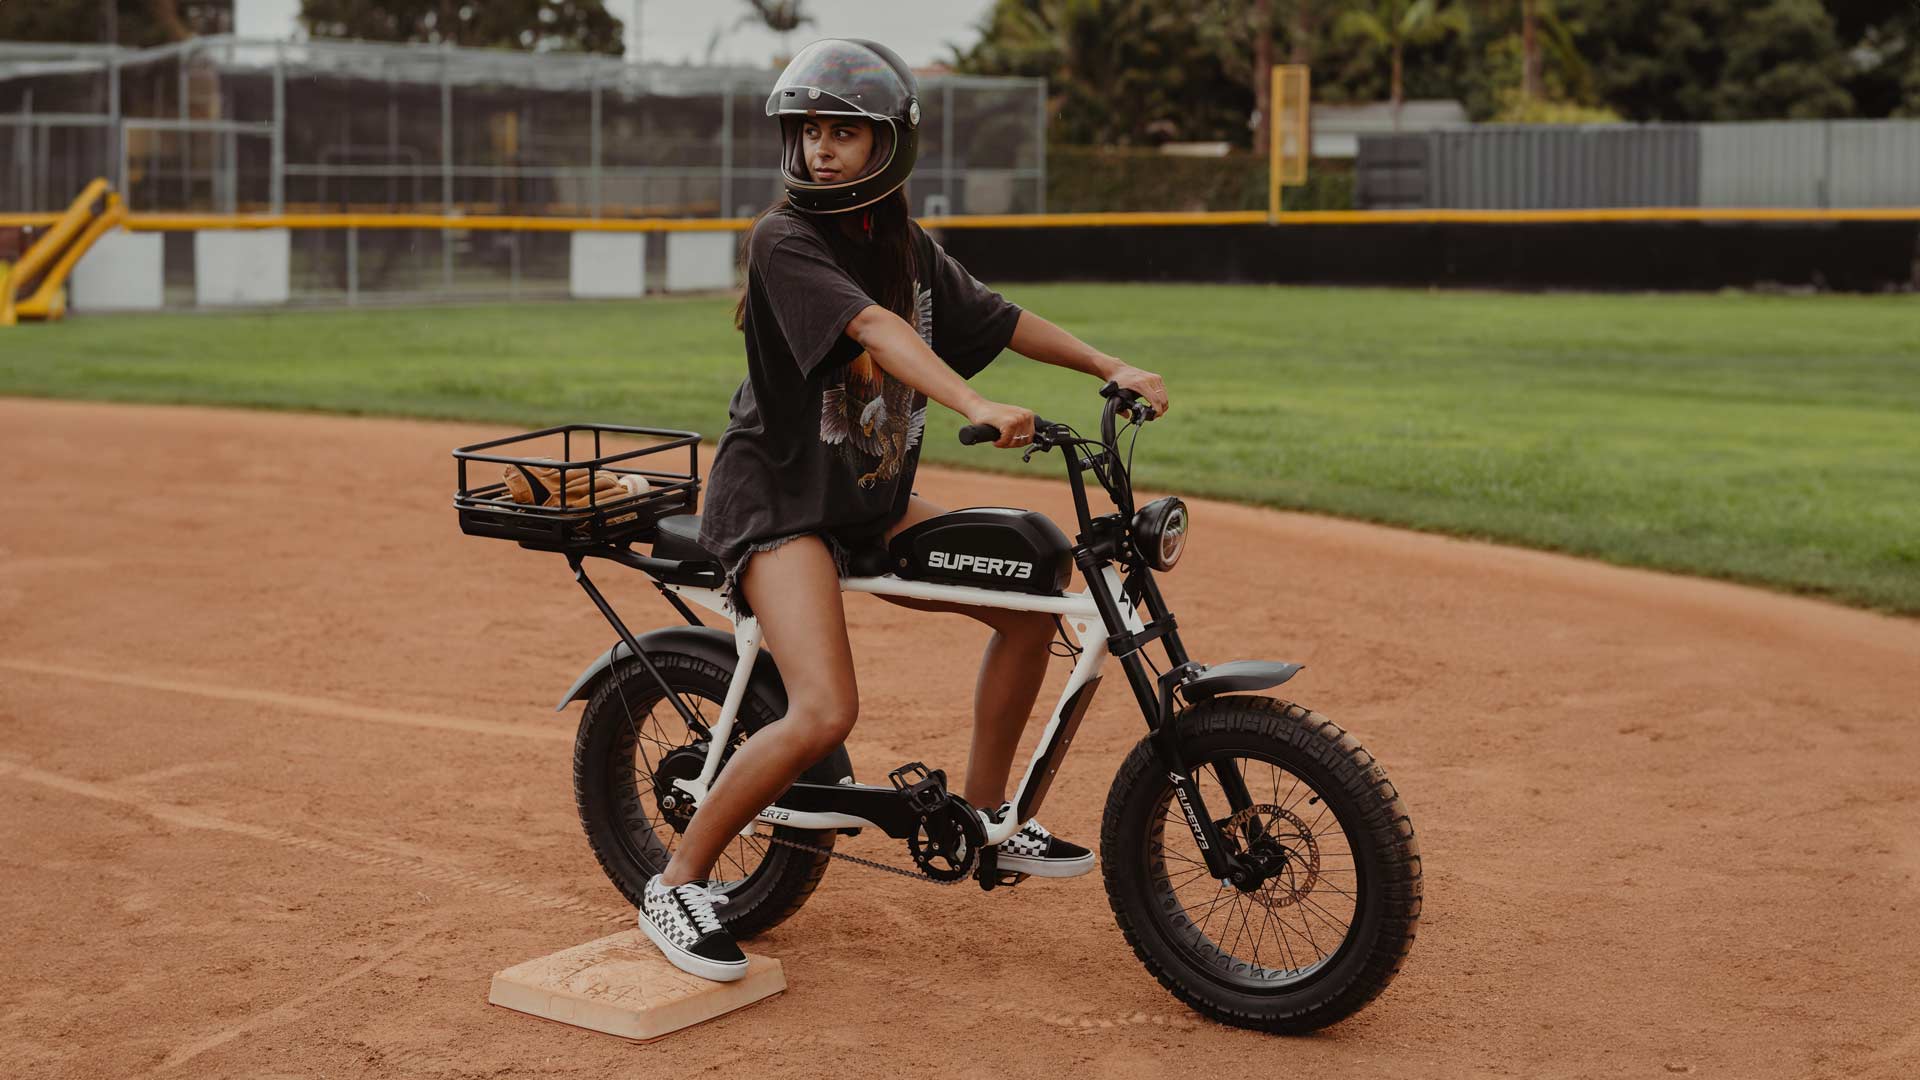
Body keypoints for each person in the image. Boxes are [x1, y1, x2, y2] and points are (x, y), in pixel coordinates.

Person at [635, 38, 1171, 983]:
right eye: (810, 131)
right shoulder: (785, 242)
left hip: (865, 500)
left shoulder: (907, 248)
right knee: (826, 709)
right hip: (780, 503)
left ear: (890, 146)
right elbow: (874, 332)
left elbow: (999, 318)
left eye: (845, 130)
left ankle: (990, 816)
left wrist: (1108, 366)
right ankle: (677, 882)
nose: (823, 149)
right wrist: (974, 405)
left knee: (1029, 584)